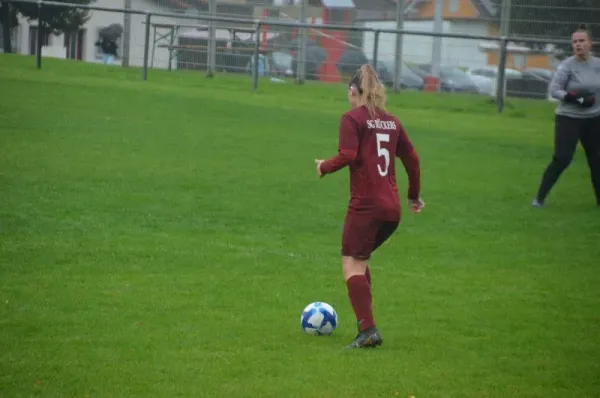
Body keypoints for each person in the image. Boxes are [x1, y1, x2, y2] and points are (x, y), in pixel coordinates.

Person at [314, 64, 424, 349]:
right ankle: (366, 323)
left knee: (351, 262)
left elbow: (348, 154)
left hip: (366, 206)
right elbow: (412, 159)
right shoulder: (392, 121)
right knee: (359, 261)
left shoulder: (352, 119)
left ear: (353, 92)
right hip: (391, 209)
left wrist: (324, 166)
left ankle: (368, 330)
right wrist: (414, 195)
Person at [532, 24, 600, 208]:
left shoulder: (597, 65)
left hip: (593, 119)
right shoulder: (568, 66)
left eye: (582, 41)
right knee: (562, 158)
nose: (578, 44)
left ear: (590, 43)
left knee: (596, 160)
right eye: (575, 42)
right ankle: (539, 199)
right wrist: (576, 99)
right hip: (569, 118)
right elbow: (555, 90)